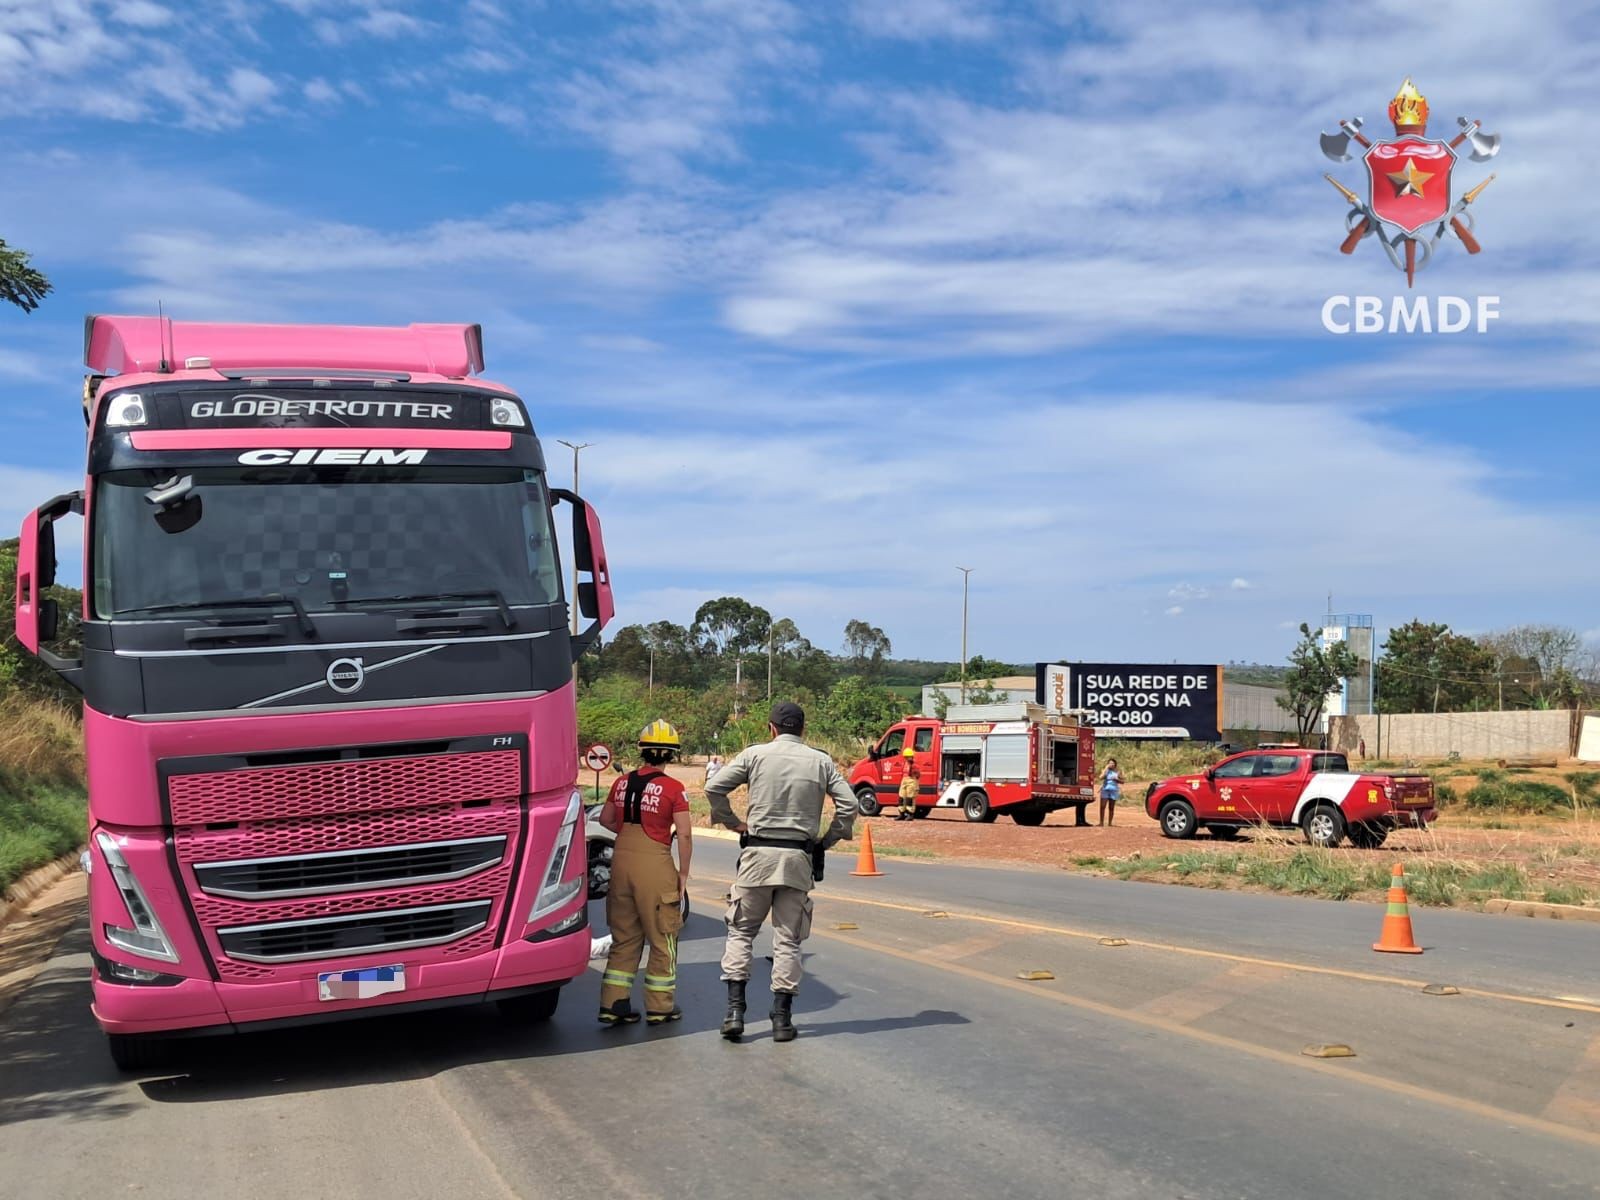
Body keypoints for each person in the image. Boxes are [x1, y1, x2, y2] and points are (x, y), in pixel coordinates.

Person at [705, 701, 857, 1044]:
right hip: (797, 860)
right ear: (803, 730)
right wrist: (826, 840)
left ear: (771, 728)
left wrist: (733, 822)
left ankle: (735, 1013)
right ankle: (782, 1021)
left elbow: (714, 787)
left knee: (741, 933)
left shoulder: (754, 755)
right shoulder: (822, 761)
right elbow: (850, 804)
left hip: (757, 856)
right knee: (788, 940)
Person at [596, 719, 693, 1027]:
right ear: (671, 755)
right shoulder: (674, 788)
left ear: (642, 751)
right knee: (663, 938)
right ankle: (659, 1007)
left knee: (624, 938)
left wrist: (628, 832)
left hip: (622, 863)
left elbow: (605, 819)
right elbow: (686, 836)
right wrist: (683, 875)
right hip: (655, 863)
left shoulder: (621, 782)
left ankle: (614, 1005)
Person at [897, 747, 920, 820]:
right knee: (901, 797)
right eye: (906, 757)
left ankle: (910, 814)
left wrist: (914, 778)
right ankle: (901, 813)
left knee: (910, 798)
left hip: (911, 780)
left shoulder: (914, 765)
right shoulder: (905, 763)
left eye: (908, 757)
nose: (907, 758)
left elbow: (918, 775)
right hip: (904, 780)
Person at [1098, 758, 1121, 827]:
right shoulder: (1105, 770)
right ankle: (1101, 822)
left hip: (1113, 790)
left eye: (1113, 763)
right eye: (1110, 763)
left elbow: (1123, 781)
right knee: (1102, 806)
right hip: (1105, 789)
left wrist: (1117, 779)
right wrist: (1106, 769)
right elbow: (1100, 777)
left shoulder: (1118, 772)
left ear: (1115, 765)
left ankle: (1110, 823)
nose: (1111, 764)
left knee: (1111, 807)